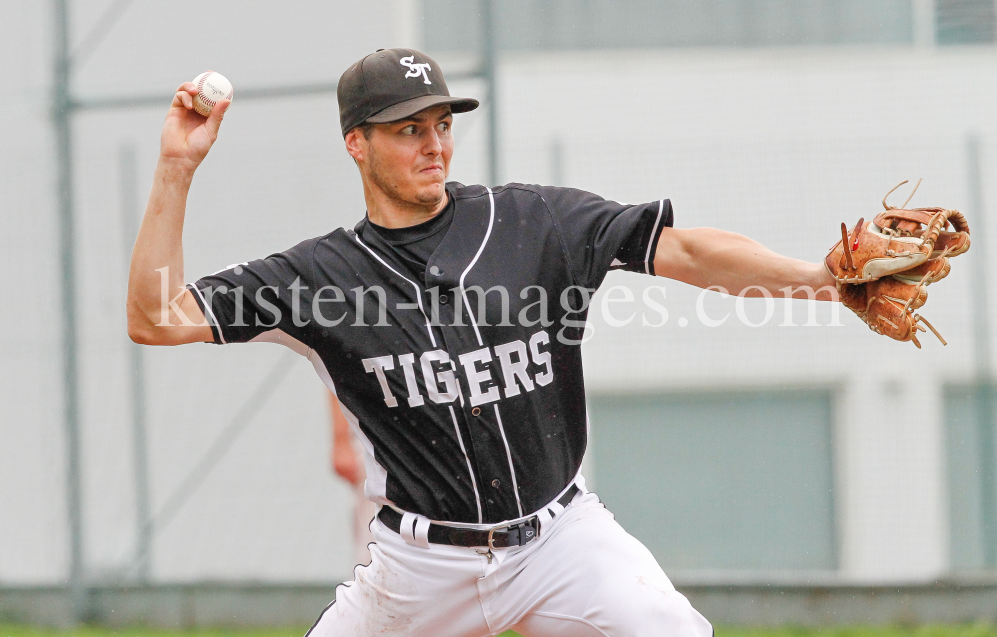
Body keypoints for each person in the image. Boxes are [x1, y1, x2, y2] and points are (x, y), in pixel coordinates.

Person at [127, 48, 837, 636]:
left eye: (441, 123)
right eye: (408, 129)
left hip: (561, 540)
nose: (434, 143)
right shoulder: (320, 276)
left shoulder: (532, 222)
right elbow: (156, 317)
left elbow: (683, 251)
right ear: (357, 144)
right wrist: (176, 168)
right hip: (418, 572)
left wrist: (821, 279)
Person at [328, 389, 378, 568]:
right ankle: (367, 592)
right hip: (373, 439)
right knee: (371, 544)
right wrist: (341, 439)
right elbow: (333, 367)